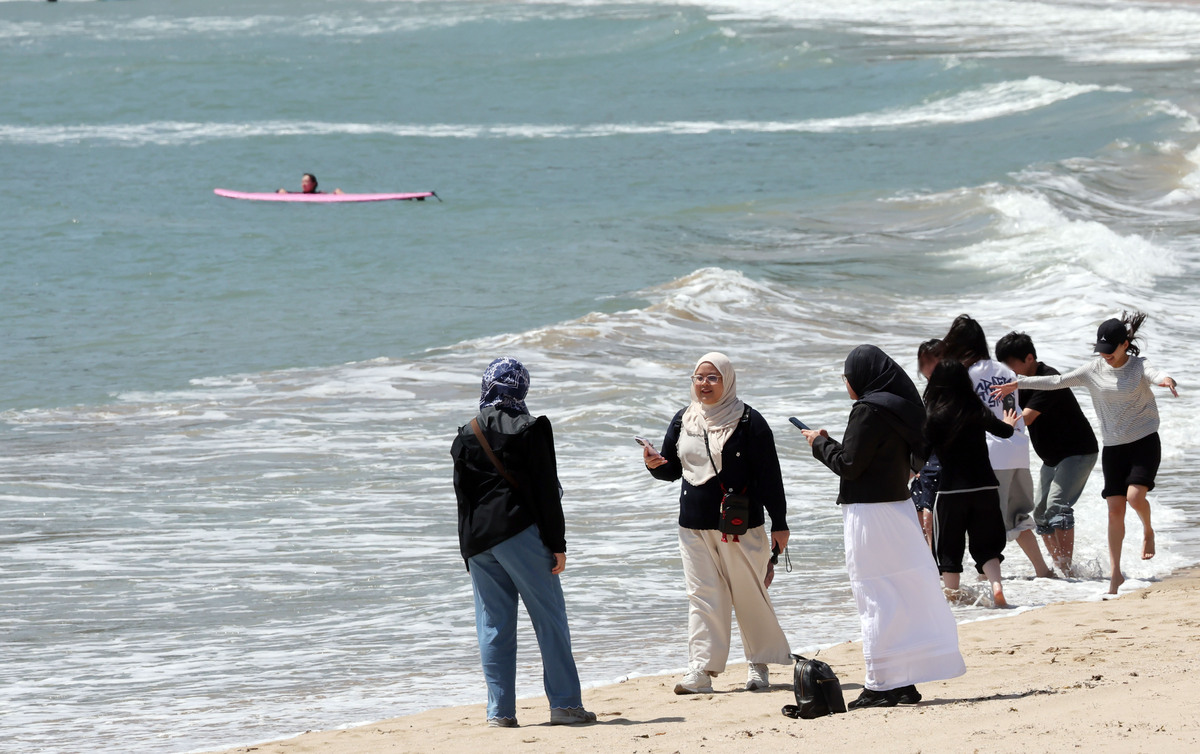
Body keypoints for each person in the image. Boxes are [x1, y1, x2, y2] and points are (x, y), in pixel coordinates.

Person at [800, 345, 966, 708]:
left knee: (874, 595)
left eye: (846, 378)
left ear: (859, 378)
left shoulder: (867, 410)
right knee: (902, 593)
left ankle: (879, 685)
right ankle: (903, 681)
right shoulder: (903, 408)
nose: (846, 384)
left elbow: (849, 465)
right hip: (899, 509)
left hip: (869, 516)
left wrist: (819, 443)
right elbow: (903, 457)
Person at [450, 357, 596, 728]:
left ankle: (500, 712)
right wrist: (557, 542)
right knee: (549, 619)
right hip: (521, 534)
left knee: (494, 625)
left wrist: (467, 550)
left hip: (479, 541)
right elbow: (547, 491)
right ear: (521, 387)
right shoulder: (532, 428)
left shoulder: (466, 432)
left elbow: (462, 497)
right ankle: (564, 704)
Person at [992, 313, 1177, 594]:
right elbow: (1056, 381)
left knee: (1134, 497)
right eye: (1101, 351)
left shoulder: (1138, 366)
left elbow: (1155, 373)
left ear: (1125, 344)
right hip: (1112, 447)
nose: (1106, 357)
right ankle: (1115, 575)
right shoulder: (1093, 369)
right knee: (1113, 512)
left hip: (1143, 441)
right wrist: (1017, 383)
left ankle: (1148, 531)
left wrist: (1166, 380)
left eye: (1110, 351)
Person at [643, 353, 791, 694]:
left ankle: (759, 665)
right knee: (702, 596)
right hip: (692, 525)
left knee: (749, 594)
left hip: (740, 526)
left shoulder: (750, 422)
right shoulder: (684, 420)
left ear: (727, 380)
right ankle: (702, 670)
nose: (704, 384)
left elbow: (770, 477)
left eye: (713, 378)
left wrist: (780, 523)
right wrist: (653, 463)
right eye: (699, 377)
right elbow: (672, 469)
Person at [941, 315, 1053, 578]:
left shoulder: (965, 375)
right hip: (1017, 450)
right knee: (1018, 516)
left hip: (990, 454)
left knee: (984, 522)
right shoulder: (1006, 371)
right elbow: (1010, 411)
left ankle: (987, 579)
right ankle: (1042, 570)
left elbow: (962, 418)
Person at [995, 332, 1099, 576]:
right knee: (1040, 514)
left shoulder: (1048, 378)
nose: (1007, 371)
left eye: (1010, 364)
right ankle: (1059, 566)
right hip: (1052, 458)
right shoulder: (1018, 383)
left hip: (1078, 452)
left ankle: (1067, 567)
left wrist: (996, 425)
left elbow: (1026, 418)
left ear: (1029, 358)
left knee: (1056, 507)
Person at [923, 359, 1019, 608]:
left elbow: (921, 452)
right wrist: (1009, 423)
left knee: (949, 549)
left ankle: (952, 599)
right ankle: (996, 586)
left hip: (951, 491)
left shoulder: (933, 415)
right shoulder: (974, 408)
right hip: (985, 487)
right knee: (987, 544)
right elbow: (1004, 432)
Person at [909, 339, 943, 548]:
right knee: (919, 506)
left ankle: (934, 564)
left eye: (930, 360)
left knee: (928, 509)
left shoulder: (951, 387)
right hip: (930, 455)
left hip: (943, 456)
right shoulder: (931, 389)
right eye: (922, 362)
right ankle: (930, 562)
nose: (925, 367)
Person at [276, 173, 343, 194]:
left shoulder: (321, 194)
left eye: (306, 182)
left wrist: (337, 192)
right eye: (302, 182)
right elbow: (283, 192)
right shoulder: (297, 194)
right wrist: (280, 191)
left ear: (314, 184)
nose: (303, 184)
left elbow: (332, 194)